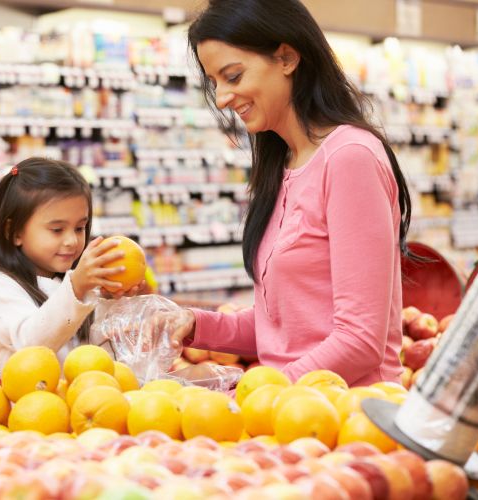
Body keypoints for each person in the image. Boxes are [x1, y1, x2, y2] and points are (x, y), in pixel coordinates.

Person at [160, 0, 413, 386]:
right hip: (291, 411)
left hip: (346, 415)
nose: (224, 97)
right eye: (215, 83)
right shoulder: (285, 164)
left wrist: (260, 392)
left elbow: (360, 341)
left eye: (233, 76)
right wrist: (196, 323)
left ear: (287, 58)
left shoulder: (349, 158)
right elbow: (286, 328)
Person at [0, 157, 138, 374]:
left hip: (88, 400)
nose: (71, 240)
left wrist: (115, 302)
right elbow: (31, 346)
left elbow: (100, 348)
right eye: (57, 230)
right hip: (34, 405)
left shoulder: (75, 281)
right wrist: (77, 289)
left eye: (80, 228)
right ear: (13, 232)